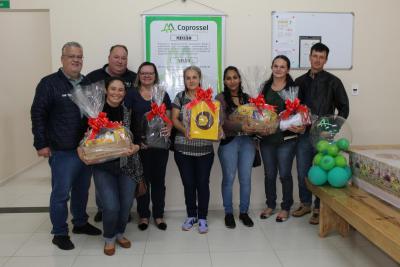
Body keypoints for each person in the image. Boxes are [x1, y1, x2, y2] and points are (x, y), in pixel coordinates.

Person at [30, 41, 101, 250]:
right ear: (62, 59)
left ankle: (79, 222)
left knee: (82, 189)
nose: (76, 60)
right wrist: (40, 144)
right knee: (61, 193)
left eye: (79, 56)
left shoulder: (88, 82)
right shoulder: (49, 83)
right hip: (63, 150)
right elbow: (38, 114)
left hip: (86, 149)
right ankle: (59, 232)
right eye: (72, 56)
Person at [78, 77, 143, 256]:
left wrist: (134, 148)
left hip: (127, 166)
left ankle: (120, 233)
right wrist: (82, 151)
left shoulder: (128, 112)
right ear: (106, 90)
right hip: (103, 167)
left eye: (121, 90)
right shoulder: (94, 113)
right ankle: (109, 238)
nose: (116, 93)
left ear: (125, 92)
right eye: (113, 89)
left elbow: (138, 138)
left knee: (126, 204)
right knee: (111, 206)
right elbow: (83, 138)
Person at [293, 43, 349, 224]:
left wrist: (331, 129)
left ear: (326, 59)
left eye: (321, 57)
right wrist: (296, 124)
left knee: (321, 170)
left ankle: (319, 208)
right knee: (303, 170)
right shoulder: (299, 82)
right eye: (314, 56)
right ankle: (305, 203)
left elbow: (344, 108)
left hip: (324, 137)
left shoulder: (334, 82)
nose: (317, 60)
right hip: (303, 135)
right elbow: (292, 108)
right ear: (309, 57)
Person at [86, 44, 137, 222]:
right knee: (103, 185)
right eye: (116, 57)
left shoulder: (133, 78)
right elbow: (84, 106)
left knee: (124, 186)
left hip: (123, 150)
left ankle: (121, 213)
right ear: (109, 57)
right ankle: (104, 210)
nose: (120, 61)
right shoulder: (94, 77)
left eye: (123, 58)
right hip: (100, 148)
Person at [259, 55, 304, 222]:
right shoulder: (264, 88)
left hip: (287, 139)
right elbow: (260, 113)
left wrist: (300, 125)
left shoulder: (294, 89)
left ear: (288, 69)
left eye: (282, 66)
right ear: (272, 67)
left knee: (285, 174)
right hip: (267, 140)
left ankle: (286, 207)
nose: (278, 69)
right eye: (275, 66)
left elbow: (301, 112)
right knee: (269, 174)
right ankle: (270, 205)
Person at [129, 62, 172, 231]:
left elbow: (168, 119)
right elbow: (127, 119)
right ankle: (144, 215)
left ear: (155, 75)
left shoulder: (162, 94)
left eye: (150, 73)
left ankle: (159, 215)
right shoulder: (131, 94)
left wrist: (168, 128)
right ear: (139, 75)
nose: (147, 76)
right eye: (143, 73)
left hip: (160, 147)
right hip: (140, 147)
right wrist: (137, 142)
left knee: (159, 181)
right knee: (142, 181)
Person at [172, 66, 215, 234]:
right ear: (184, 80)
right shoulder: (180, 97)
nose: (191, 80)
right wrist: (185, 130)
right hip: (183, 149)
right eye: (188, 78)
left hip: (204, 149)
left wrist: (216, 129)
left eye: (194, 77)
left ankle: (202, 217)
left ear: (199, 79)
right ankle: (191, 215)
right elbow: (174, 119)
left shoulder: (207, 97)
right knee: (188, 184)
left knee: (203, 184)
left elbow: (214, 119)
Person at [216, 66, 256, 228]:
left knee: (246, 179)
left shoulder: (248, 98)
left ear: (240, 79)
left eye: (235, 77)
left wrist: (259, 124)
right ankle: (228, 213)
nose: (232, 81)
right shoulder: (220, 98)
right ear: (224, 81)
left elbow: (256, 119)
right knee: (229, 178)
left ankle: (244, 212)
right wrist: (241, 126)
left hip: (248, 143)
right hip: (229, 143)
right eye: (228, 78)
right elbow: (222, 122)